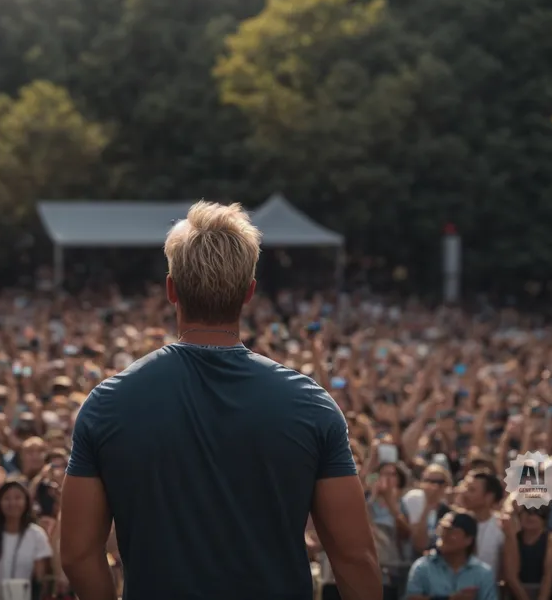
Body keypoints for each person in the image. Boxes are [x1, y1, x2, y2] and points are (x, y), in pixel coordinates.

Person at [60, 201, 381, 600]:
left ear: (171, 289)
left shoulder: (108, 403)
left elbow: (76, 553)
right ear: (249, 293)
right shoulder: (311, 406)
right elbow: (355, 558)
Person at [0, 480, 52, 600]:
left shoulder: (36, 535)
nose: (12, 503)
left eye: (18, 498)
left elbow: (39, 577)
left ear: (26, 502)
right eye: (6, 498)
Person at [404, 509, 497, 600]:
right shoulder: (423, 567)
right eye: (441, 529)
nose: (444, 535)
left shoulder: (482, 574)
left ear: (468, 540)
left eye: (451, 531)